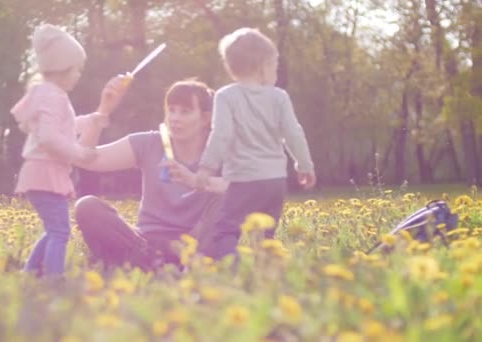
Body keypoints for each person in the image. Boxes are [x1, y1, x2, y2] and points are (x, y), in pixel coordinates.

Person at [73, 79, 227, 270]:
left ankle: (164, 266)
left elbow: (247, 186)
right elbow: (85, 159)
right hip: (146, 241)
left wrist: (194, 180)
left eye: (185, 112)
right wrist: (103, 111)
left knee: (227, 196)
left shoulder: (219, 152)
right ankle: (152, 261)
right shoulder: (149, 143)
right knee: (87, 207)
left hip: (195, 243)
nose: (174, 118)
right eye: (171, 110)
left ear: (205, 118)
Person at [11, 24, 124, 277]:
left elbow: (65, 128)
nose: (78, 75)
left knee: (55, 229)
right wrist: (80, 153)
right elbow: (50, 138)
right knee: (60, 232)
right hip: (44, 174)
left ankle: (30, 273)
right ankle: (53, 279)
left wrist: (93, 119)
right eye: (77, 69)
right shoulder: (53, 96)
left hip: (42, 173)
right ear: (63, 68)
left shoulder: (49, 94)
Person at [194, 27, 316, 261]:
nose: (275, 72)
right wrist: (304, 165)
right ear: (262, 66)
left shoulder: (226, 96)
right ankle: (266, 275)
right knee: (265, 234)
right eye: (274, 66)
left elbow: (221, 134)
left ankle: (233, 269)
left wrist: (206, 168)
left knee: (226, 231)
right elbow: (293, 133)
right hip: (274, 181)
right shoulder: (279, 97)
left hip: (243, 179)